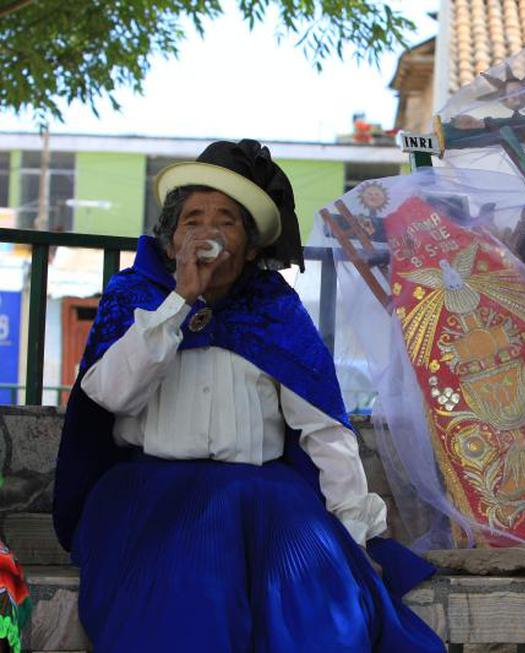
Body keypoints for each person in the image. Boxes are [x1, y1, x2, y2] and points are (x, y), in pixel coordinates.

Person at [52, 139, 444, 653]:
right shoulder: (135, 298)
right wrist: (179, 303)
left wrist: (353, 530)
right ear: (172, 242)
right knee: (181, 608)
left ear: (252, 246)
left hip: (264, 498)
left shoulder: (274, 312)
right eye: (193, 219)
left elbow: (324, 427)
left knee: (321, 609)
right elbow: (110, 394)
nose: (207, 233)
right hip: (154, 494)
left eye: (226, 221)